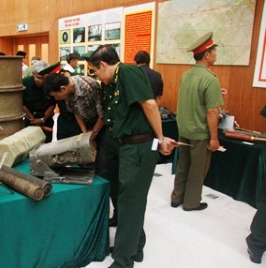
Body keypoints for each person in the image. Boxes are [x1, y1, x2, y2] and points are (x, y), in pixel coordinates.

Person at [88, 44, 176, 268]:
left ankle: (123, 260)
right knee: (124, 197)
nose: (96, 76)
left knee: (130, 203)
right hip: (120, 145)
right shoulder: (111, 81)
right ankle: (136, 245)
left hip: (138, 146)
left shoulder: (127, 72)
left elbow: (149, 103)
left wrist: (161, 137)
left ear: (105, 65)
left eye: (96, 71)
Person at [171, 32, 224, 212]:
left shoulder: (187, 75)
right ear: (207, 55)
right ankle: (191, 203)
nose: (216, 54)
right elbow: (212, 111)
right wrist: (214, 139)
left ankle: (176, 198)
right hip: (200, 133)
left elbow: (193, 98)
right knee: (198, 169)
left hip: (184, 130)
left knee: (183, 165)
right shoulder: (210, 79)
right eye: (214, 51)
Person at [22, 60, 56, 142]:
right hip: (29, 120)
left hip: (46, 120)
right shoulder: (25, 83)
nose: (41, 81)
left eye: (44, 78)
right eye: (39, 78)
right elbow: (22, 104)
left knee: (46, 145)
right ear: (33, 74)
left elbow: (52, 104)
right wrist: (33, 120)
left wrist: (42, 119)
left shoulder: (51, 83)